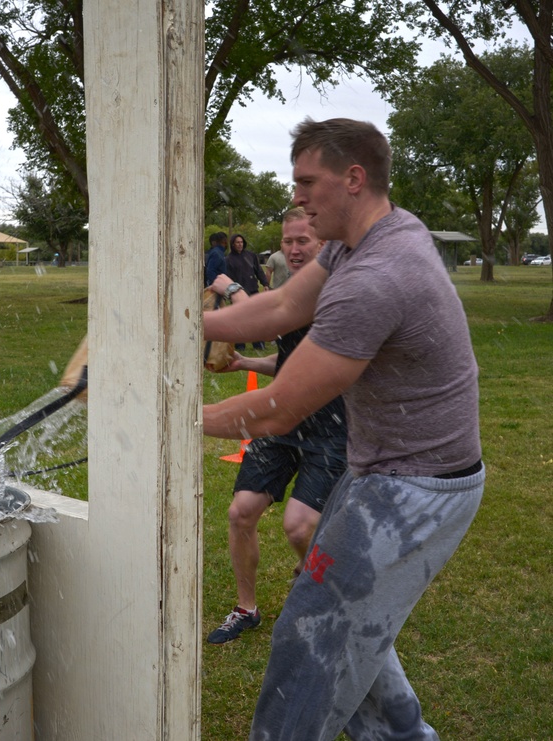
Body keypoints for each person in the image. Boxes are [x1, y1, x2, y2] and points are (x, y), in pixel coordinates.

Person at [203, 117, 484, 740]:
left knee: (311, 640)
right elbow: (279, 306)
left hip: (415, 491)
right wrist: (185, 322)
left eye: (308, 182)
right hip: (385, 469)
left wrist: (164, 420)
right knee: (353, 631)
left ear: (353, 179)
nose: (297, 196)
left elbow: (277, 410)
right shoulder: (365, 238)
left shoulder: (377, 278)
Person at [205, 208, 346, 645]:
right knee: (240, 512)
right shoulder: (290, 288)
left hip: (332, 429)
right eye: (288, 242)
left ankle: (322, 588)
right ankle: (246, 608)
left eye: (303, 240)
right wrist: (248, 362)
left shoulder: (335, 292)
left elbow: (276, 319)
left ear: (324, 242)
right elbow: (290, 362)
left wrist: (236, 293)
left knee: (300, 527)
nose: (294, 248)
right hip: (282, 427)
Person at [225, 233, 269, 349]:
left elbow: (258, 271)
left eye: (241, 242)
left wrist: (265, 283)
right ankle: (240, 345)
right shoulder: (229, 259)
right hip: (238, 292)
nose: (240, 244)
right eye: (237, 242)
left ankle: (259, 345)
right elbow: (228, 278)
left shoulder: (251, 256)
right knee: (239, 320)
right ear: (233, 244)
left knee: (256, 319)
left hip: (253, 290)